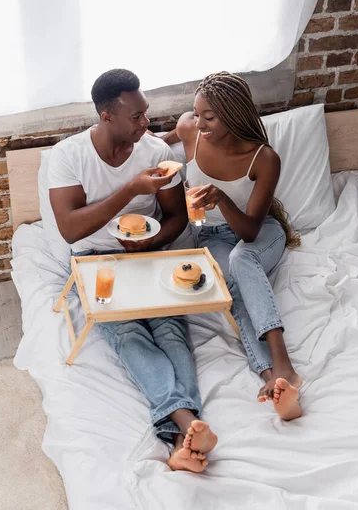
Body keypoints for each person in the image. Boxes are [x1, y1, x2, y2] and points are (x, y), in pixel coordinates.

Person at [48, 69, 217, 472]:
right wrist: (130, 190)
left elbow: (175, 217)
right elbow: (70, 228)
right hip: (96, 261)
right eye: (136, 116)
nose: (147, 123)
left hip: (149, 255)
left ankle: (182, 440)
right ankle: (187, 422)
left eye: (145, 113)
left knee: (172, 331)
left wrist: (153, 243)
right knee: (127, 333)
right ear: (107, 115)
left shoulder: (159, 152)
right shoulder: (68, 156)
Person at [177, 71, 302, 421]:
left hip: (259, 234)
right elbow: (156, 141)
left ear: (233, 115)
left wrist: (221, 199)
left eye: (209, 117)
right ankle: (270, 378)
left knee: (242, 259)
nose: (199, 123)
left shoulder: (264, 159)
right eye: (196, 113)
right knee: (232, 288)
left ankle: (284, 363)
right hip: (211, 236)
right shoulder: (191, 130)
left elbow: (249, 231)